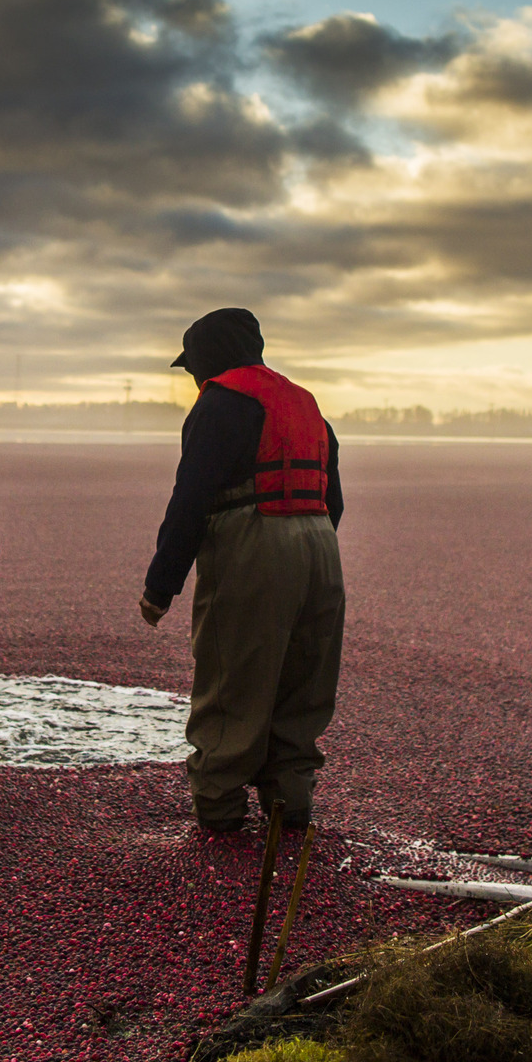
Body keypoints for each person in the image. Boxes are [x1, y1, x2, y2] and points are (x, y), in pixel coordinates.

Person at [139, 308, 345, 833]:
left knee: (232, 678)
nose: (192, 379)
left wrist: (160, 587)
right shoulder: (305, 404)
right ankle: (290, 804)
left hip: (256, 541)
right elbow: (333, 498)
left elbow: (191, 498)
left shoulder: (222, 404)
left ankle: (220, 809)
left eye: (192, 368)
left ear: (207, 359)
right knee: (302, 682)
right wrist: (306, 555)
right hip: (320, 544)